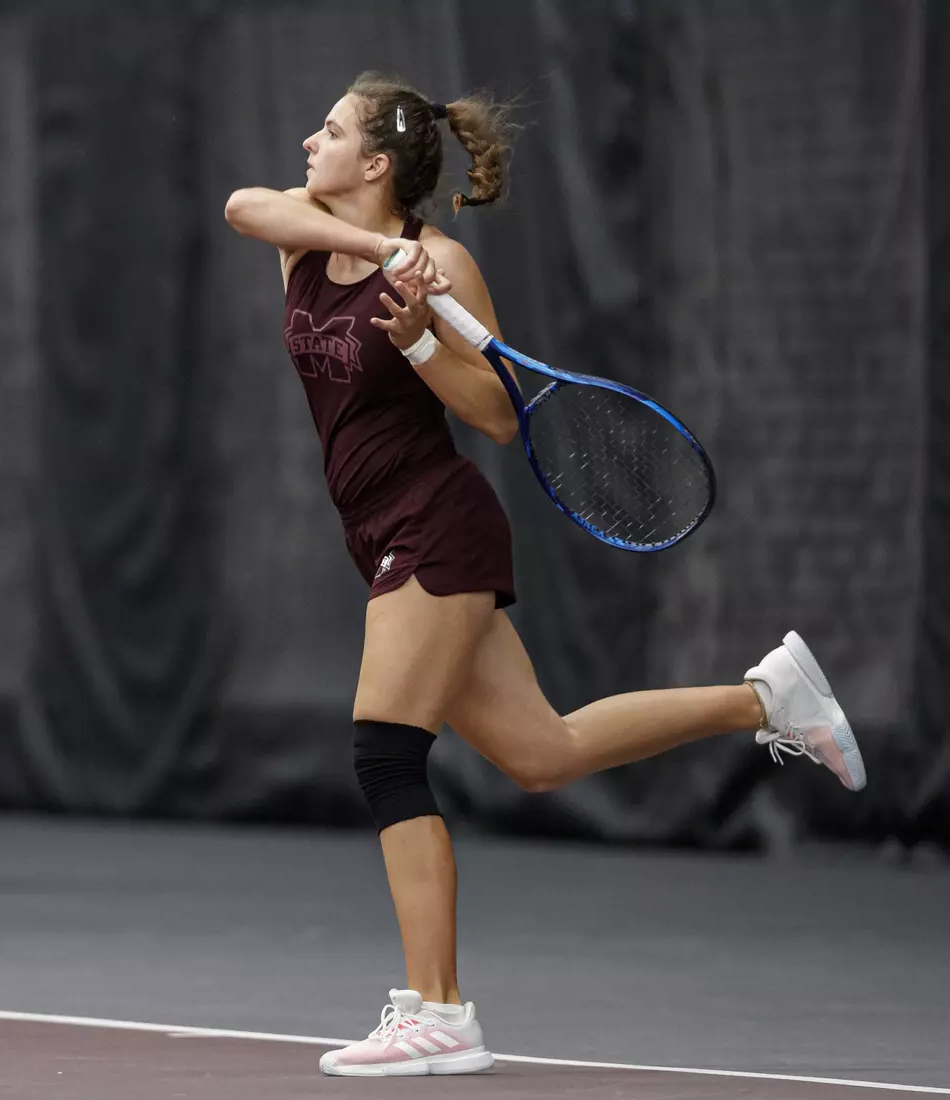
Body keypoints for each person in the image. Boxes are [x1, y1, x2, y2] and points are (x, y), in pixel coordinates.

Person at [223, 72, 865, 1077]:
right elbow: (238, 207)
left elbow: (494, 414)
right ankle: (763, 697)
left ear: (379, 163)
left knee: (385, 756)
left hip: (433, 523)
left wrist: (423, 330)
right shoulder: (310, 236)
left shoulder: (446, 264)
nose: (310, 141)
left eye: (333, 130)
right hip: (376, 529)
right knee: (544, 751)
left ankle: (438, 1008)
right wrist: (377, 249)